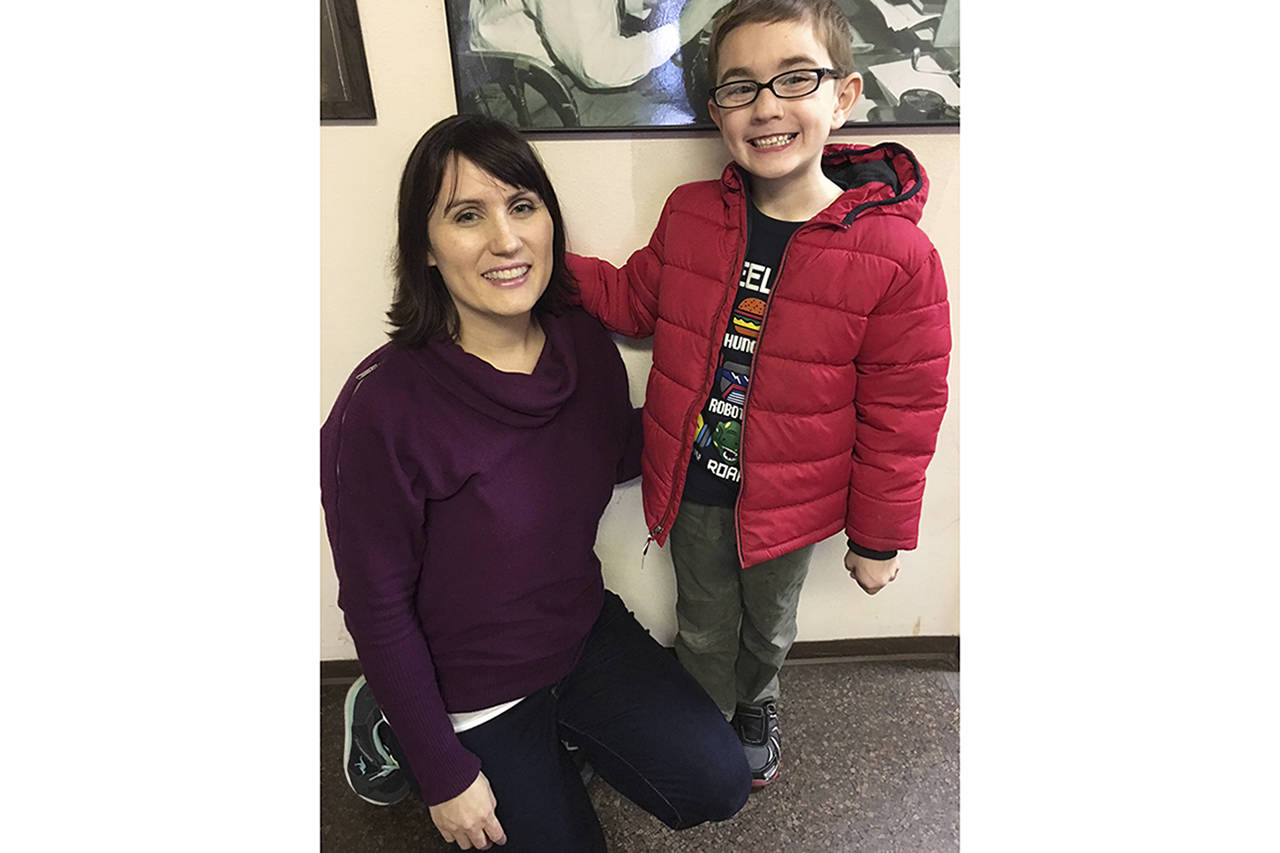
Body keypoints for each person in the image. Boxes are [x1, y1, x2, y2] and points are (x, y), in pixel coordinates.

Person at [320, 114, 750, 851]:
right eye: (466, 215)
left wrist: (726, 409)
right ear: (424, 248)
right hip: (467, 683)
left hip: (578, 632)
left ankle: (556, 739)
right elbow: (376, 603)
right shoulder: (382, 406)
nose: (505, 239)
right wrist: (444, 771)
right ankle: (390, 715)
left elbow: (612, 452)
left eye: (522, 206)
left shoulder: (581, 342)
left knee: (719, 780)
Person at [566, 0, 951, 789]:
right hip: (694, 484)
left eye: (794, 79)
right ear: (717, 113)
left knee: (766, 625)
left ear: (841, 95)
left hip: (794, 496)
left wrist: (878, 536)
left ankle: (758, 698)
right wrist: (542, 265)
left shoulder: (897, 254)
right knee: (703, 623)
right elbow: (635, 301)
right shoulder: (692, 215)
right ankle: (705, 726)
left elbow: (903, 410)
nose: (767, 105)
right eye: (740, 87)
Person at [468, 0, 729, 90]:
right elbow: (600, 69)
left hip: (530, 77)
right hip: (534, 94)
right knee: (684, 126)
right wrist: (683, 27)